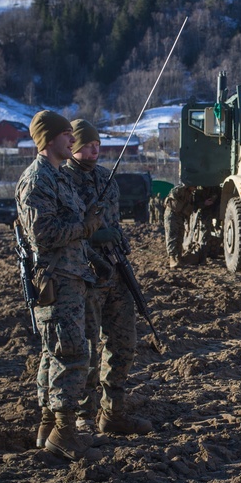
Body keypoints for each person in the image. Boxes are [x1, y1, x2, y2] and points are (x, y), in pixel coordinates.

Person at [15, 110, 102, 462]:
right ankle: (64, 433)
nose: (72, 138)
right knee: (71, 353)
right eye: (66, 134)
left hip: (70, 277)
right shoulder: (38, 179)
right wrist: (85, 228)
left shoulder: (57, 177)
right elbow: (44, 234)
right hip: (56, 279)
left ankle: (48, 424)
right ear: (49, 140)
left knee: (55, 352)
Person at [63, 119, 152, 437]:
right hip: (85, 275)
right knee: (86, 349)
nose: (94, 150)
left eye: (97, 144)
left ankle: (113, 413)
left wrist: (118, 240)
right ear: (73, 146)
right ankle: (84, 417)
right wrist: (96, 241)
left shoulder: (106, 179)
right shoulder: (63, 180)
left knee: (123, 344)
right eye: (88, 145)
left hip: (116, 272)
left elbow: (113, 222)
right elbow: (68, 233)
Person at [163, 184, 217, 268]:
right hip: (172, 215)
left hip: (180, 217)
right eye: (194, 186)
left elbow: (194, 206)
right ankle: (172, 258)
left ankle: (178, 258)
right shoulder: (180, 189)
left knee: (180, 237)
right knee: (172, 236)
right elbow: (173, 195)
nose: (195, 188)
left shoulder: (190, 195)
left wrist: (204, 203)